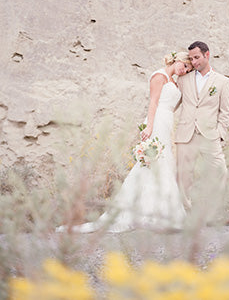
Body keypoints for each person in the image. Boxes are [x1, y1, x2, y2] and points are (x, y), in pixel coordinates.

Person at [56, 51, 192, 233]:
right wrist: (149, 126)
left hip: (167, 122)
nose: (185, 71)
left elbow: (173, 105)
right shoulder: (159, 76)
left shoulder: (175, 82)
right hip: (156, 121)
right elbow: (153, 102)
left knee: (164, 163)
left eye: (188, 69)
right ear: (178, 60)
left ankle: (161, 213)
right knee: (152, 163)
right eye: (184, 66)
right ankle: (147, 214)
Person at [175, 41, 229, 218]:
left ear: (207, 55)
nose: (194, 62)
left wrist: (220, 135)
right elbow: (174, 102)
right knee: (184, 175)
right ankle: (186, 212)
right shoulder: (183, 80)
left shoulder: (223, 82)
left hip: (209, 135)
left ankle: (213, 213)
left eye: (197, 57)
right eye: (191, 58)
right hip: (186, 133)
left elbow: (226, 111)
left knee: (220, 171)